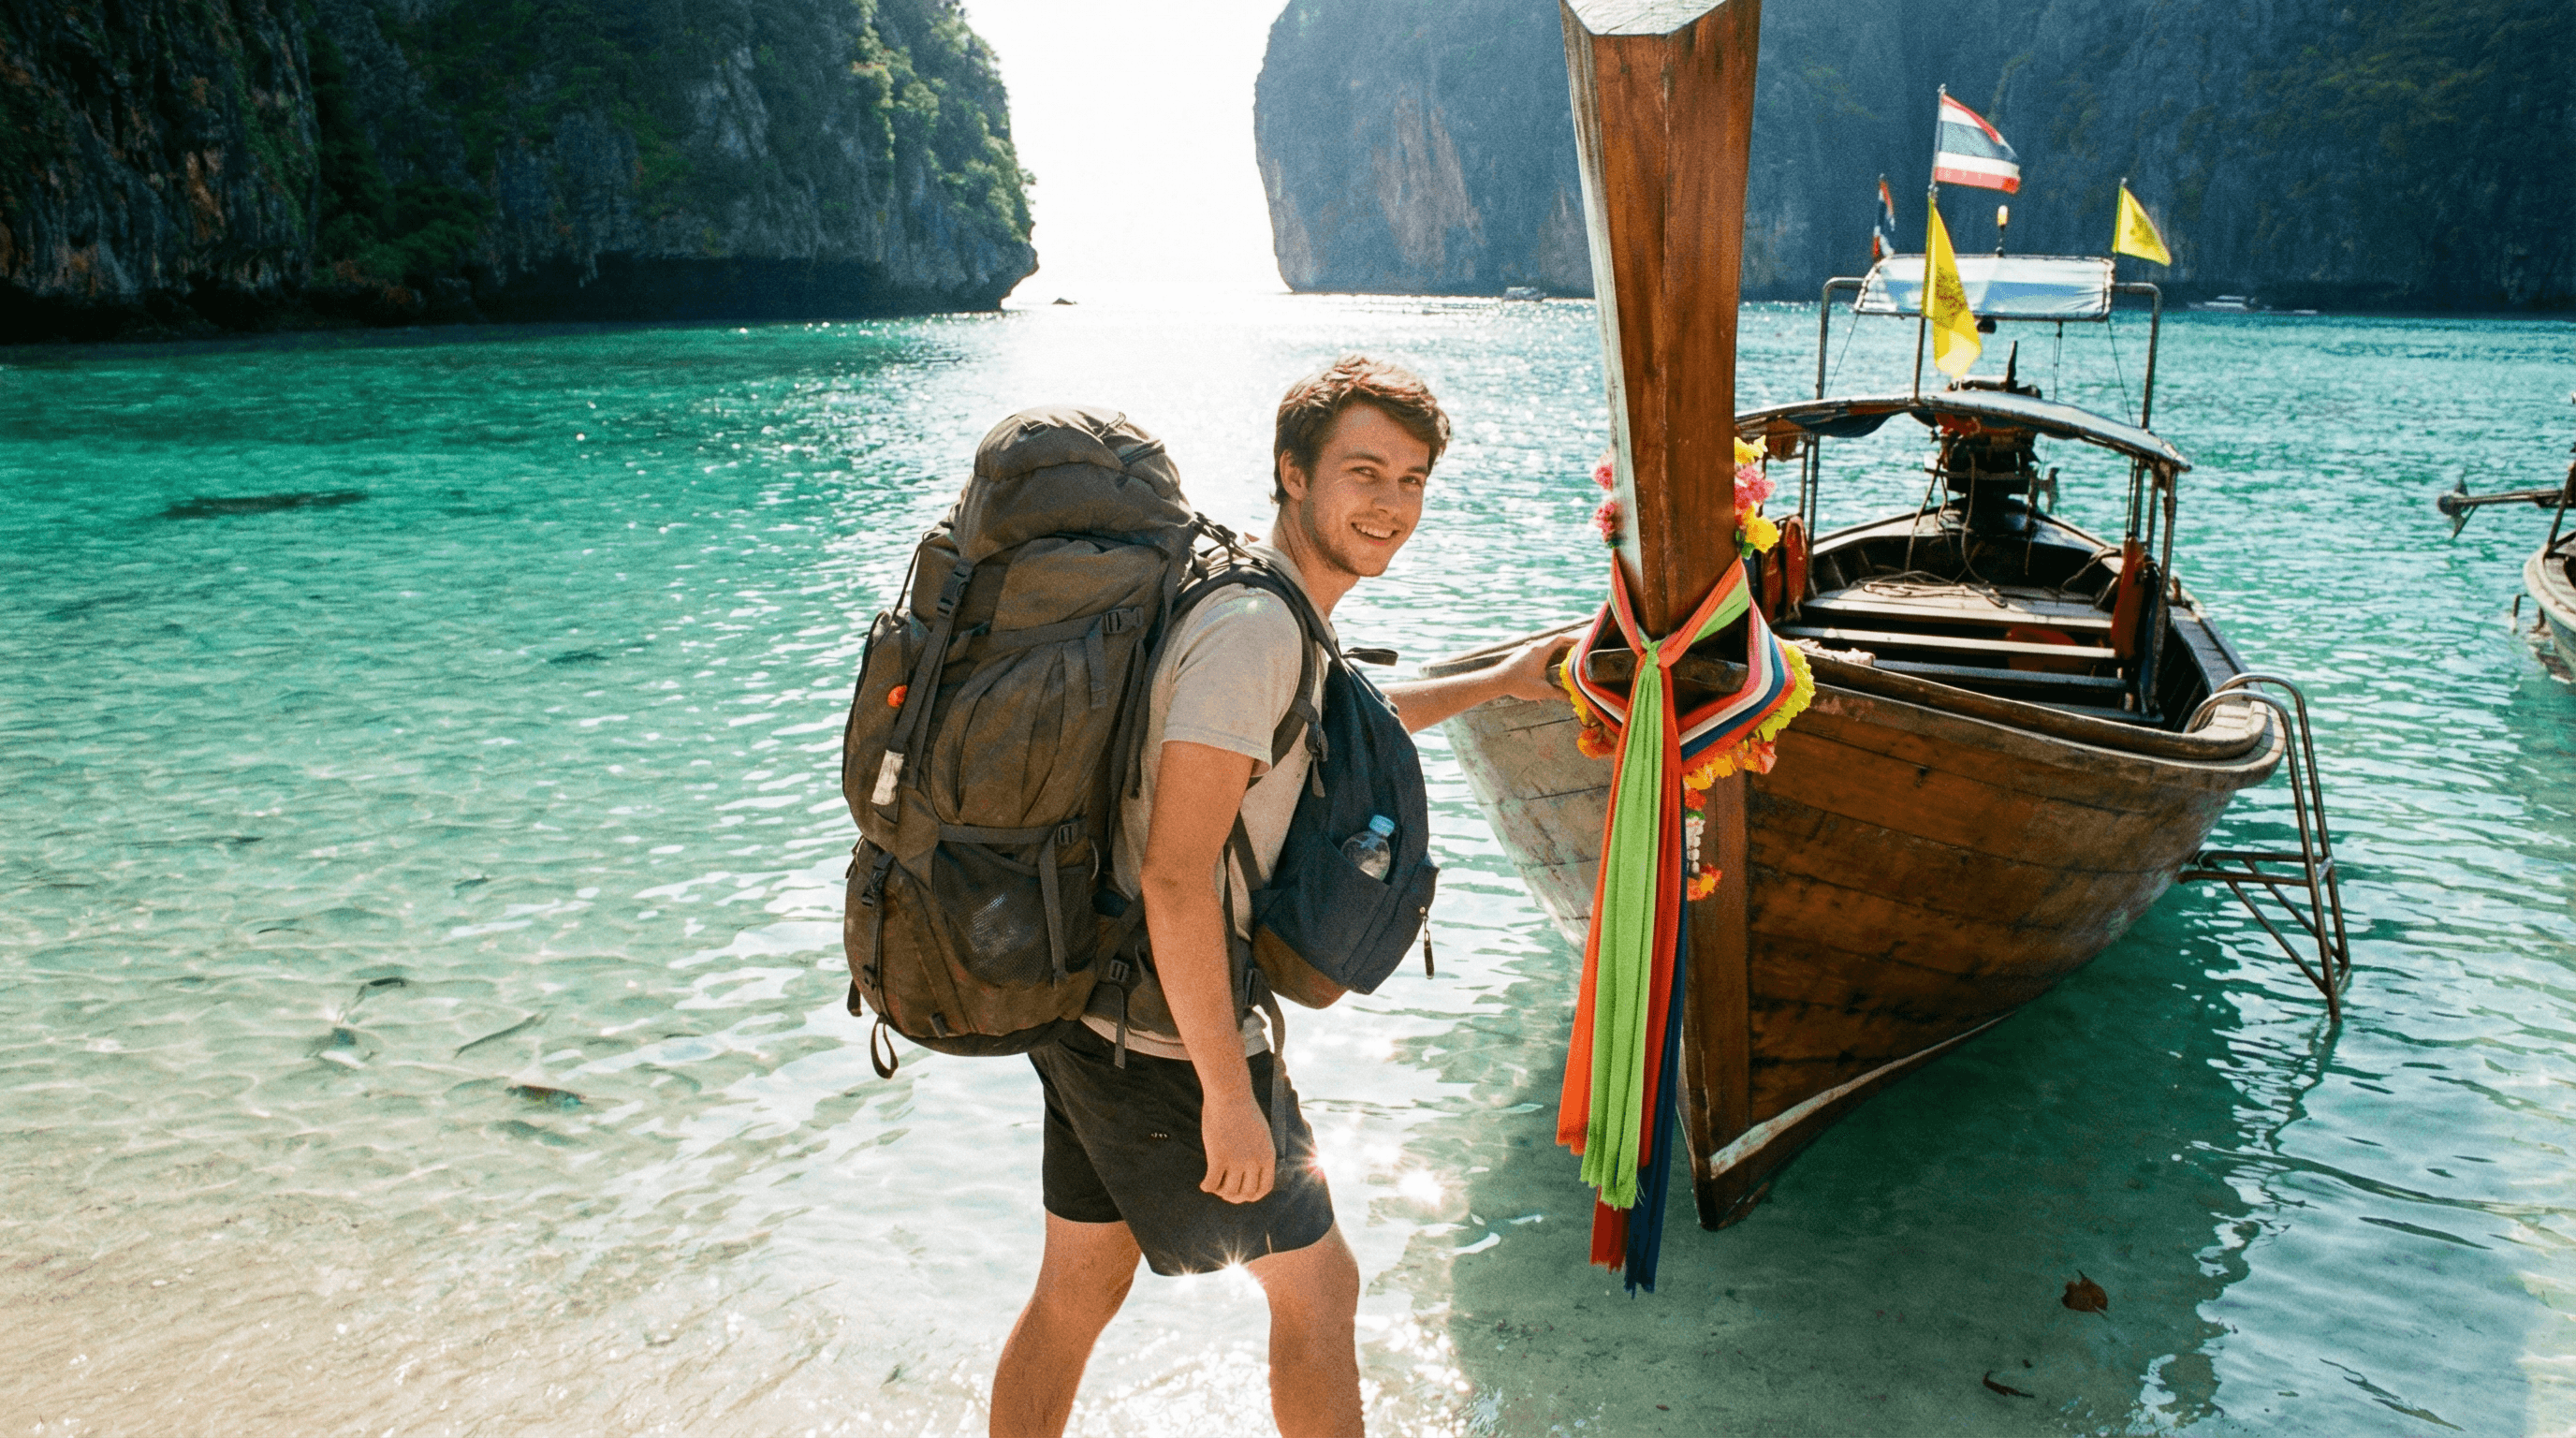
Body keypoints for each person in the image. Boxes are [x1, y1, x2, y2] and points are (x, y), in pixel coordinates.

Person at [988, 356, 1560, 1438]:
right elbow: (1176, 871)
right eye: (1363, 472)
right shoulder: (1255, 628)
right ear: (1293, 473)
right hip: (1165, 1028)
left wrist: (1501, 680)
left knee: (1079, 1287)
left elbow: (1328, 730)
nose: (1391, 504)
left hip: (1096, 1004)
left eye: (1411, 479)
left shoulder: (1264, 601)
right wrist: (1226, 1091)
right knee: (1318, 1288)